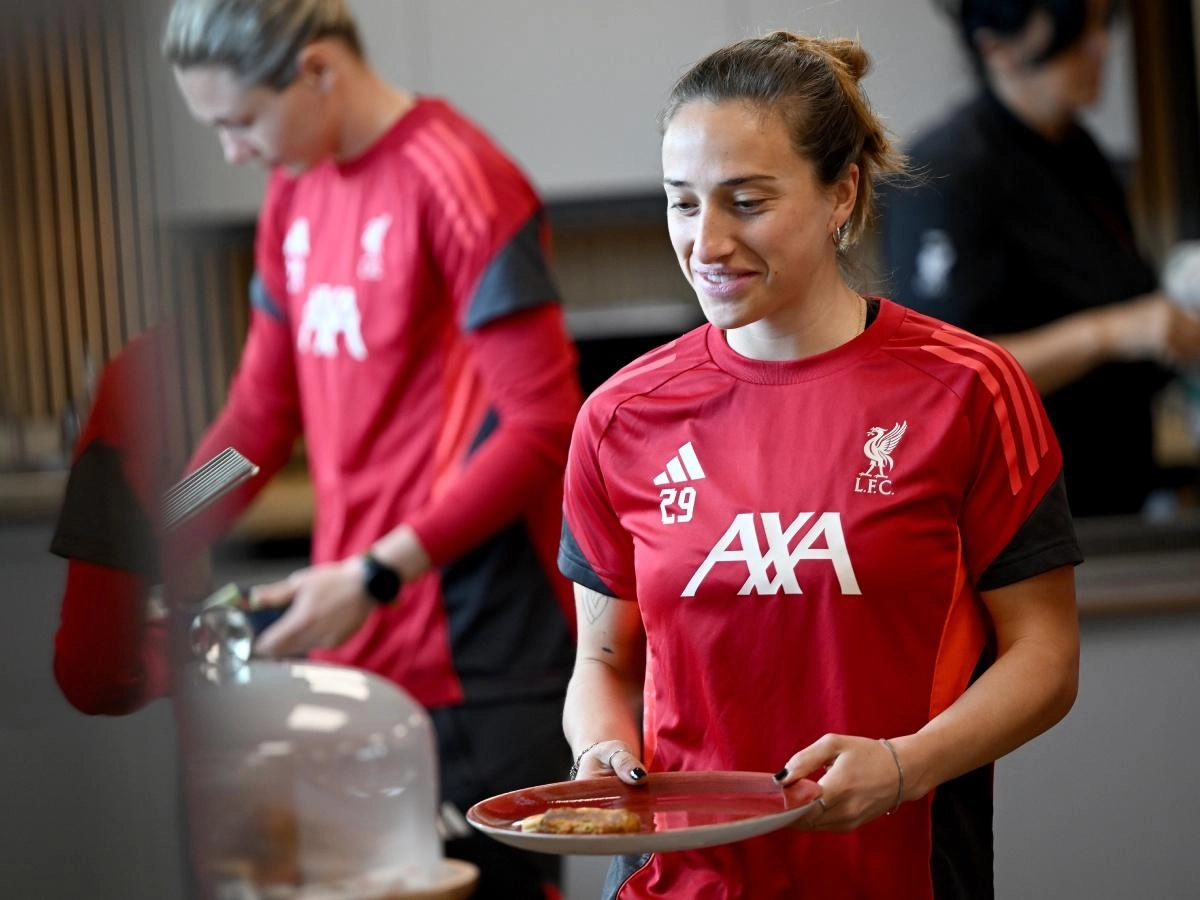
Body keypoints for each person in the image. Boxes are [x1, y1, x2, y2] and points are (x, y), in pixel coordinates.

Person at [558, 31, 1082, 900]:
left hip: (900, 874)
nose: (706, 242)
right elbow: (604, 664)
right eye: (682, 204)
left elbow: (1047, 657)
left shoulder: (969, 391)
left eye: (746, 202)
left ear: (842, 193)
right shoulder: (620, 417)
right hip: (677, 884)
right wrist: (599, 752)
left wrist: (906, 765)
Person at [162, 2, 582, 897]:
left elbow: (543, 424)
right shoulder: (294, 190)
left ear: (317, 71)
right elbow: (258, 418)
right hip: (353, 651)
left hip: (477, 653)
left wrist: (379, 573)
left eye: (241, 120)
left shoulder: (462, 178)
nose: (233, 151)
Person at [882, 0, 1200, 517]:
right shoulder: (947, 172)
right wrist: (1112, 332)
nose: (1101, 47)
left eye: (1103, 25)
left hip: (1114, 492)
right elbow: (941, 376)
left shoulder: (1080, 151)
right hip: (1025, 513)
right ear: (997, 47)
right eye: (1074, 31)